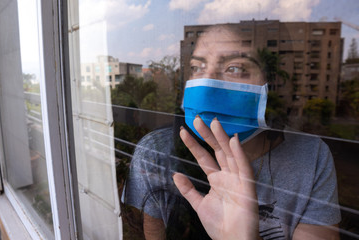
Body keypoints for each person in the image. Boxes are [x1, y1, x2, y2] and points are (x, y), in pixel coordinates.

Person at [123, 24, 341, 239]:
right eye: (197, 67)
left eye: (235, 68)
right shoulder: (155, 151)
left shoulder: (311, 156)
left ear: (270, 85)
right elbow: (153, 229)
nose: (208, 83)